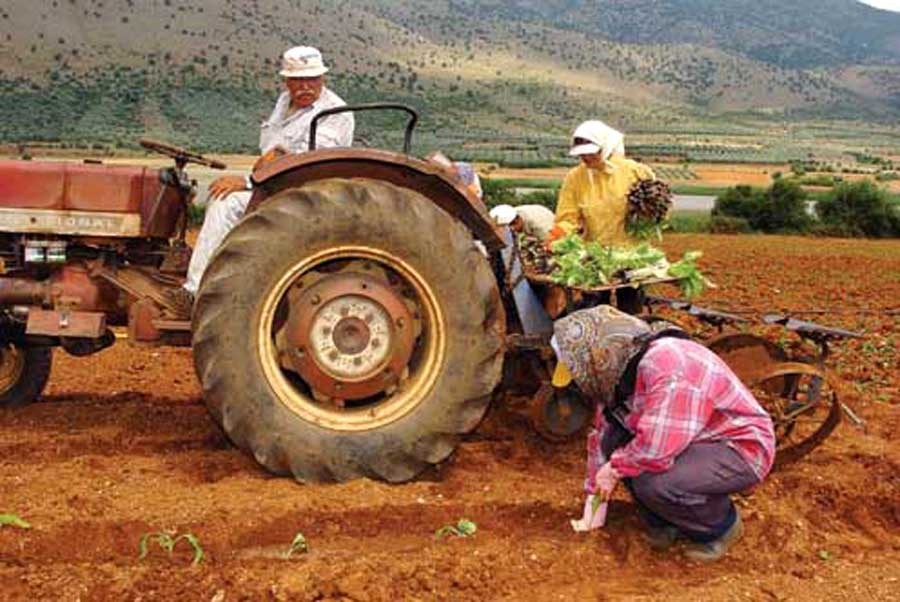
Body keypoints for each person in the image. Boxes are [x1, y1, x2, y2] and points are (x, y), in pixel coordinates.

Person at [551, 305, 776, 562]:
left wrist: (614, 469)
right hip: (686, 439)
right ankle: (665, 521)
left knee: (657, 482)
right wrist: (594, 496)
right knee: (618, 446)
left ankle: (720, 528)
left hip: (737, 447)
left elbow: (655, 451)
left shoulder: (668, 367)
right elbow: (601, 436)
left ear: (600, 353)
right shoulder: (618, 373)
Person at [169, 46, 354, 317]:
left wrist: (248, 181)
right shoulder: (283, 103)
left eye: (312, 79)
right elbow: (272, 153)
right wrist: (269, 162)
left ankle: (195, 292)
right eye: (298, 80)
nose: (305, 86)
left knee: (226, 202)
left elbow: (305, 163)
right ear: (286, 81)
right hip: (275, 185)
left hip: (305, 191)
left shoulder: (334, 113)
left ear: (322, 78)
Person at [554, 120, 655, 246]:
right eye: (582, 153)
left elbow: (657, 209)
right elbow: (567, 217)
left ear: (605, 147)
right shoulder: (575, 178)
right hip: (595, 253)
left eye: (591, 153)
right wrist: (558, 234)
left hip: (632, 252)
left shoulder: (635, 172)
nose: (586, 157)